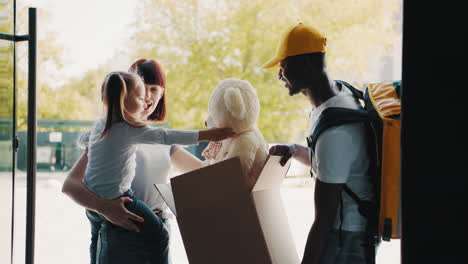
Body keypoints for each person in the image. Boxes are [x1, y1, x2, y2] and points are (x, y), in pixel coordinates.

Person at [63, 67, 233, 264]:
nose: (148, 98)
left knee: (159, 238)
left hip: (154, 223)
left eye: (155, 90)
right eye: (143, 90)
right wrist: (105, 207)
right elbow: (70, 185)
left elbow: (202, 172)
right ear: (121, 96)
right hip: (122, 225)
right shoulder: (110, 133)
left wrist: (228, 150)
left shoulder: (116, 132)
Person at [263, 23, 374, 264]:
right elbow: (324, 159)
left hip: (347, 238)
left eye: (284, 65)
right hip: (345, 231)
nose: (279, 74)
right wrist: (294, 151)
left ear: (306, 65)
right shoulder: (338, 97)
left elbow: (324, 219)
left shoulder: (336, 131)